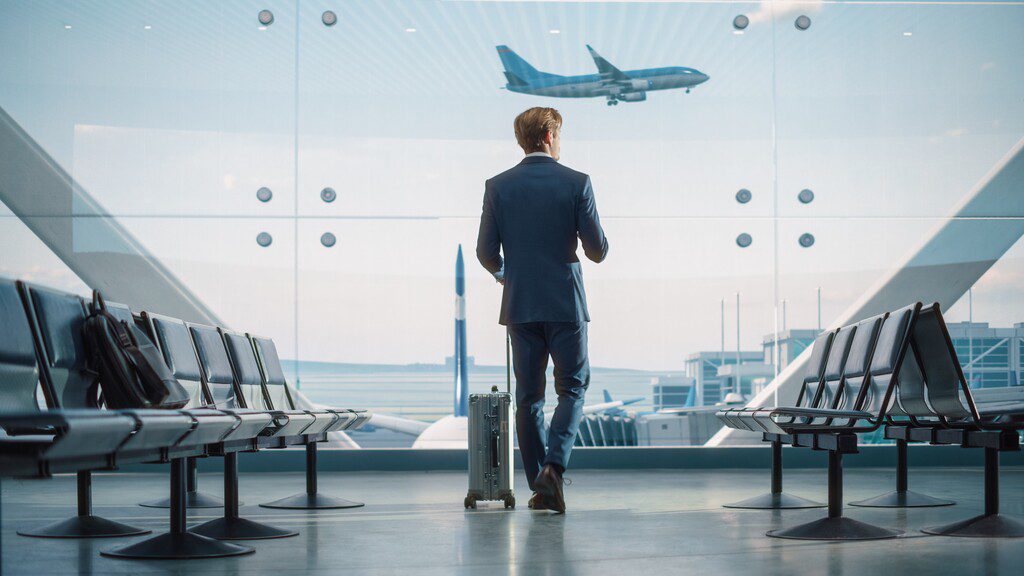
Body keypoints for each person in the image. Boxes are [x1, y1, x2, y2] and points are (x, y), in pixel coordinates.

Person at [476, 107, 609, 513]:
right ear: (550, 134)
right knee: (572, 389)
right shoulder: (576, 182)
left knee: (529, 398)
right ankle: (553, 469)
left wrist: (506, 274)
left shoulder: (498, 186)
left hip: (520, 304)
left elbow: (485, 252)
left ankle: (540, 485)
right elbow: (597, 251)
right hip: (565, 304)